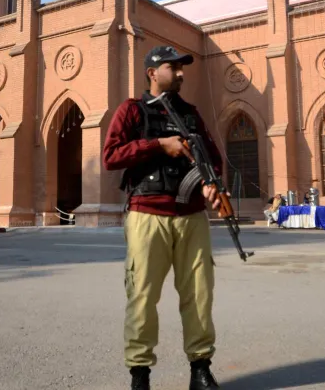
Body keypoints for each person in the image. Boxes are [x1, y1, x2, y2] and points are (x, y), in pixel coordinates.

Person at [102, 45, 224, 390]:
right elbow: (110, 155)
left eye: (182, 68)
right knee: (142, 295)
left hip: (192, 216)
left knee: (199, 294)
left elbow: (213, 157)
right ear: (152, 72)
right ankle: (139, 374)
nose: (182, 73)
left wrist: (212, 185)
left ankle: (200, 368)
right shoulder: (132, 110)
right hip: (147, 215)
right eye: (174, 68)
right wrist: (159, 146)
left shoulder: (191, 113)